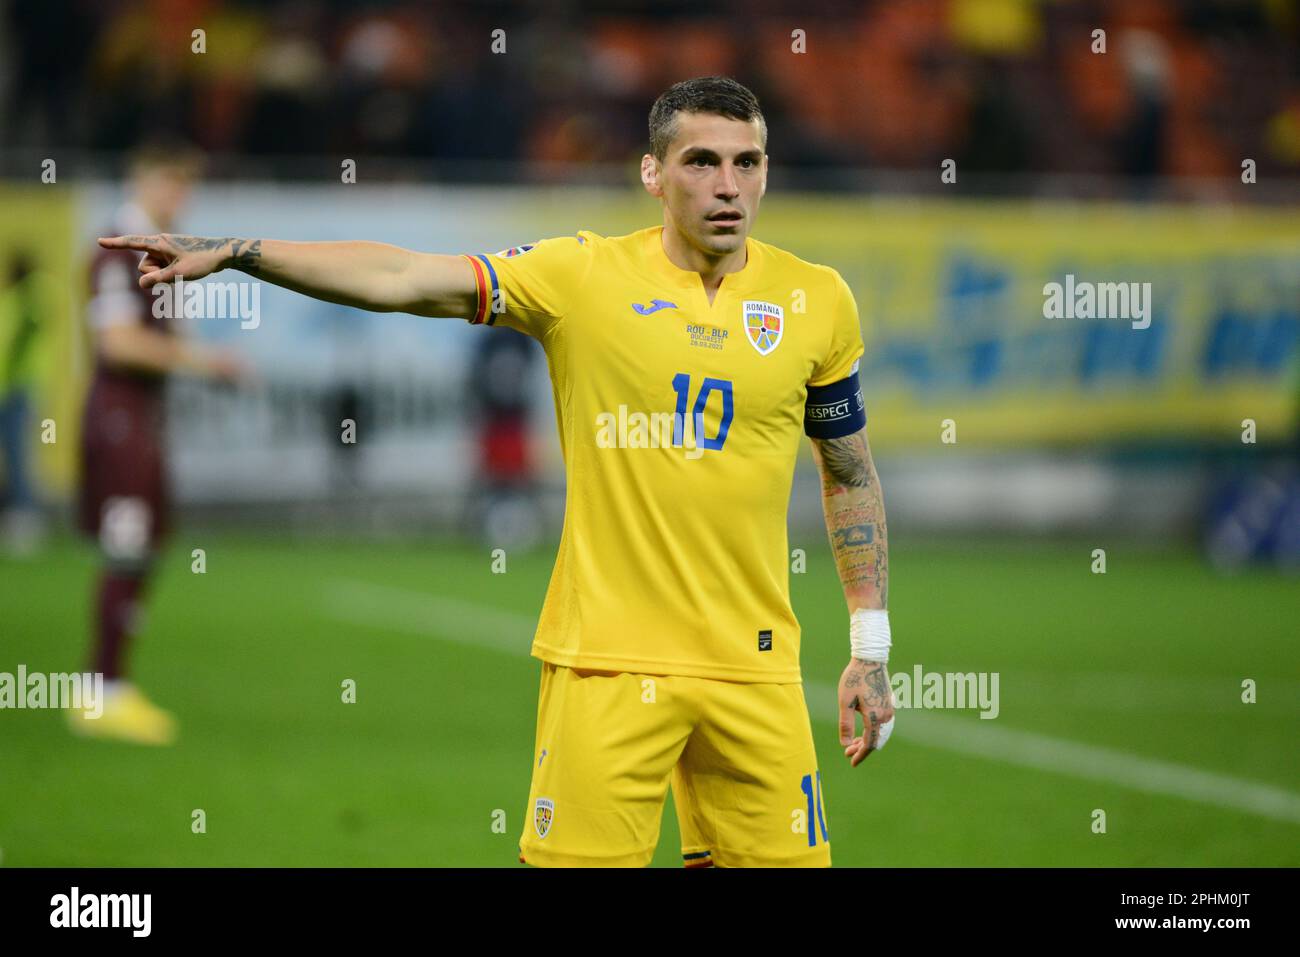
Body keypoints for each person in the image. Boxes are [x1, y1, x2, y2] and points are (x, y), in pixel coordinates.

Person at [99, 76, 896, 865]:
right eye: (701, 162)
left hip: (756, 671)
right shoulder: (581, 276)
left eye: (748, 162)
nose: (729, 187)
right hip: (605, 663)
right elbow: (404, 277)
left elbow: (849, 473)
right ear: (653, 174)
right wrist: (240, 252)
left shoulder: (816, 299)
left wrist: (870, 645)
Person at [70, 143, 246, 745]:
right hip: (119, 415)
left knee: (144, 545)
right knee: (128, 546)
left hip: (140, 415)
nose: (179, 197)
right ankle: (102, 690)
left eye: (185, 186)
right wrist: (202, 362)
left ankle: (109, 684)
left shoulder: (149, 248)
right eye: (170, 182)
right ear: (140, 177)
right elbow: (117, 344)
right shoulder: (116, 250)